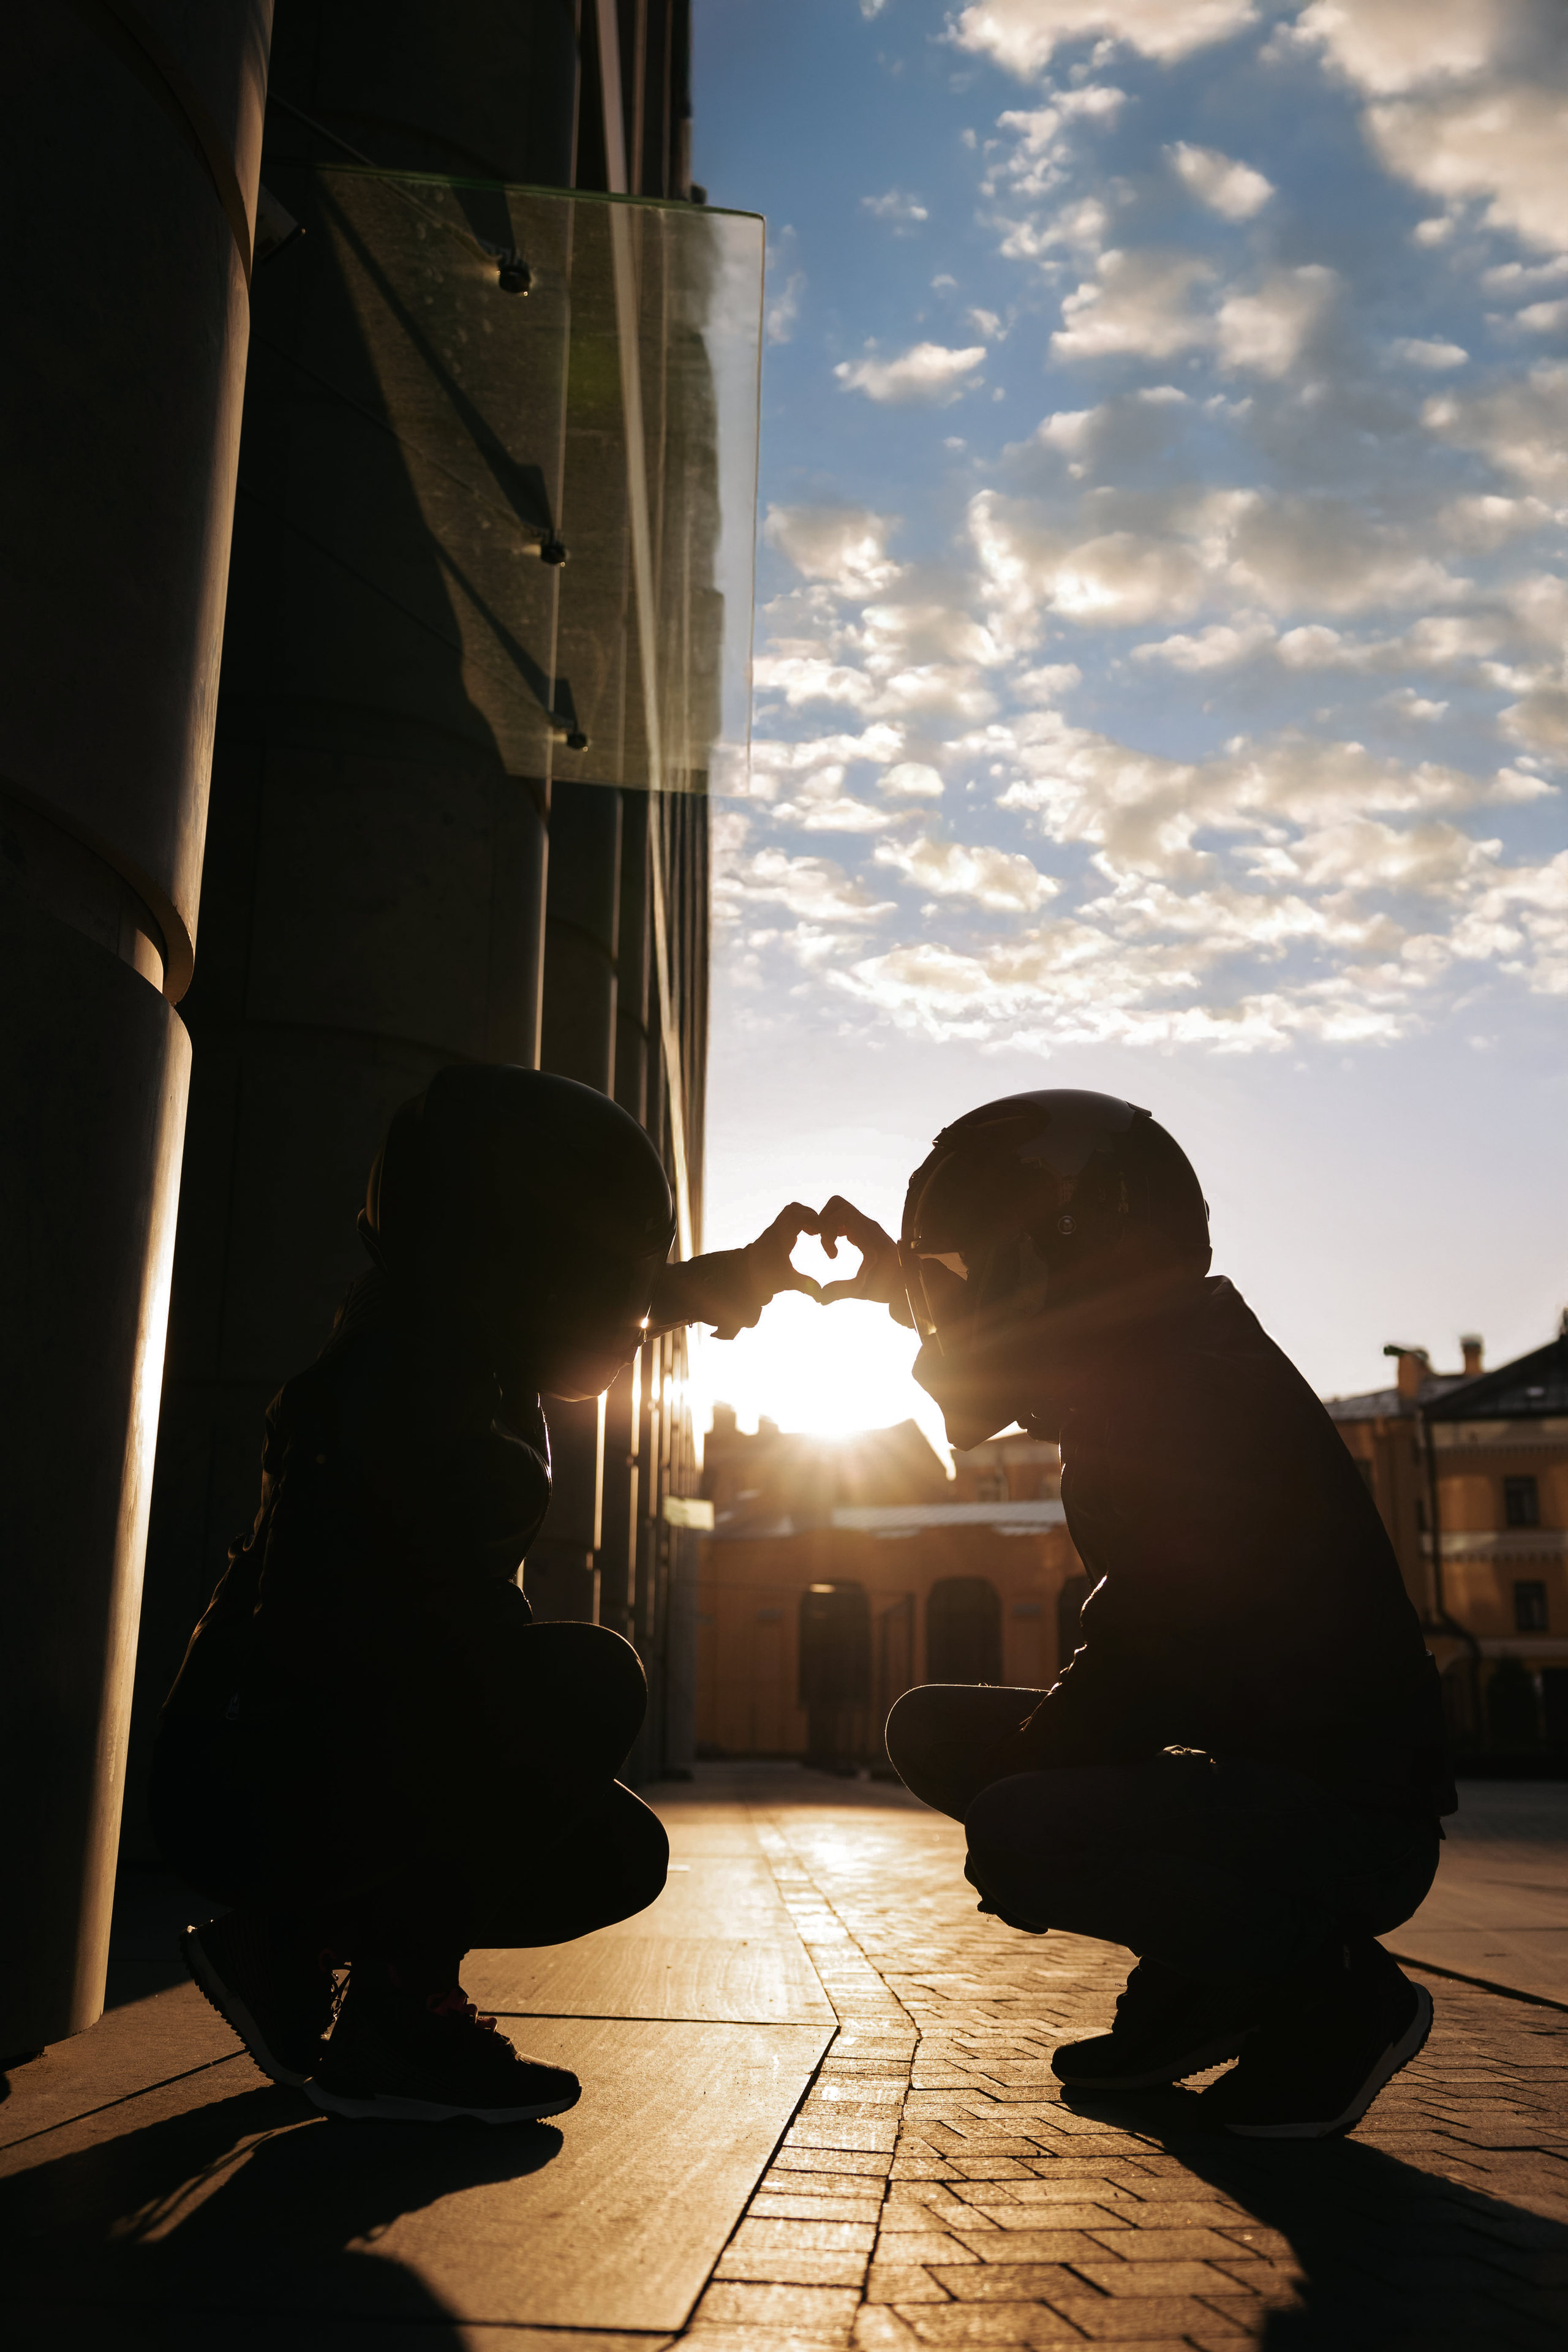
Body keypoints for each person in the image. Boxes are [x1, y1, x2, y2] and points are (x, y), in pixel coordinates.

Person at [152, 1064, 820, 2125]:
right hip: (260, 1769)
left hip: (285, 1757)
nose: (623, 1305)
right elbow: (345, 1648)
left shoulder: (441, 1341)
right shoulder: (403, 1392)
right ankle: (393, 2016)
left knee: (612, 1850)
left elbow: (562, 1293)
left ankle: (292, 1940)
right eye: (603, 1272)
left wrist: (712, 1282)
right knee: (585, 1685)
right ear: (512, 1262)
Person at [817, 1088, 1453, 2140]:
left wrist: (1028, 1791)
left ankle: (1338, 1994)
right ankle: (1216, 1981)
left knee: (1024, 1827)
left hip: (1348, 1820)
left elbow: (1145, 1649)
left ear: (1075, 1257)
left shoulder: (1182, 1397)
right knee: (937, 1731)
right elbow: (1009, 1361)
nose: (961, 1304)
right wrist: (901, 1276)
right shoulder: (1157, 1361)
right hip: (1264, 1779)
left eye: (985, 1268)